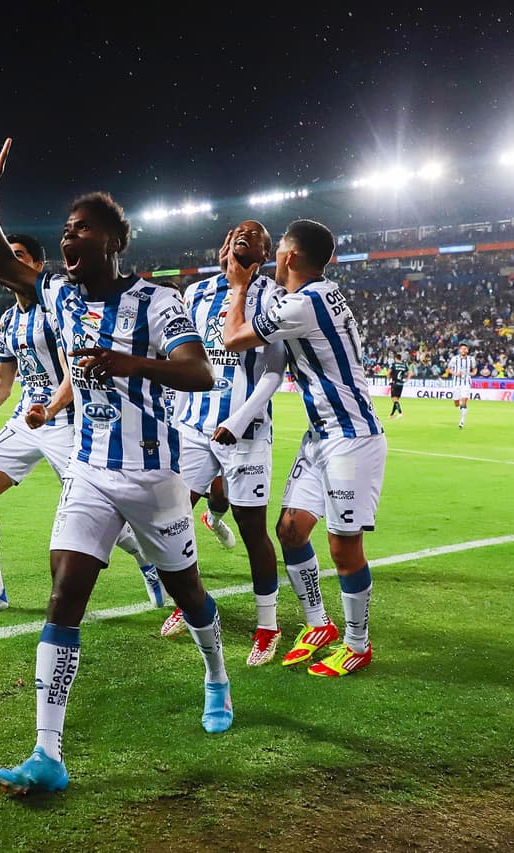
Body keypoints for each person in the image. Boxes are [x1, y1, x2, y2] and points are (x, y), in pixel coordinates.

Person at [0, 138, 230, 796]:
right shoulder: (58, 294)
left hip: (154, 475)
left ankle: (216, 673)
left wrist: (128, 362)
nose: (68, 238)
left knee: (189, 593)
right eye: (65, 230)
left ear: (114, 239)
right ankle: (47, 753)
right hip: (89, 469)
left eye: (82, 228)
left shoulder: (157, 301)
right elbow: (2, 260)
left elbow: (201, 369)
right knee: (64, 593)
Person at [0, 233, 164, 612]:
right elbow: (1, 387)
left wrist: (51, 410)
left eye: (18, 256)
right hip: (27, 419)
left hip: (68, 423)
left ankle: (147, 560)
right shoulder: (8, 321)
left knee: (102, 516)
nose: (9, 264)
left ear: (37, 267)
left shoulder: (57, 313)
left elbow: (75, 374)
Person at [221, 219, 387, 678]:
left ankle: (358, 644)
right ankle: (321, 625)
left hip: (351, 438)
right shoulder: (315, 296)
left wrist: (237, 287)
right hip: (321, 435)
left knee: (342, 547)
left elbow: (233, 337)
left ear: (290, 257)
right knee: (291, 530)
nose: (274, 259)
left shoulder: (305, 304)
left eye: (279, 253)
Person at [160, 221, 288, 667]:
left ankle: (267, 627)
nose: (240, 236)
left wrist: (238, 420)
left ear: (262, 254)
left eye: (250, 236)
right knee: (175, 520)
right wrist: (173, 412)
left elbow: (274, 371)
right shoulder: (194, 294)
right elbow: (182, 356)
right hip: (193, 429)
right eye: (234, 234)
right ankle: (191, 603)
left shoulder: (272, 297)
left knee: (254, 532)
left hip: (245, 435)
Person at [447, 344, 476, 428]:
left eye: (465, 349)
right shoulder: (454, 359)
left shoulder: (471, 359)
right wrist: (456, 374)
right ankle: (462, 409)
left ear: (467, 350)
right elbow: (449, 369)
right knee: (456, 403)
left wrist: (473, 373)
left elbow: (474, 369)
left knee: (464, 400)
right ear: (459, 350)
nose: (463, 350)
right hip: (456, 383)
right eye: (462, 349)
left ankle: (462, 421)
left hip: (466, 383)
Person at [388, 352, 409, 418]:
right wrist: (407, 379)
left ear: (395, 358)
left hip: (395, 383)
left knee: (394, 399)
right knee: (396, 399)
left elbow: (388, 373)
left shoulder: (393, 364)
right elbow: (410, 373)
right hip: (401, 384)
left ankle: (400, 413)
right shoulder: (404, 365)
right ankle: (392, 414)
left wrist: (389, 380)